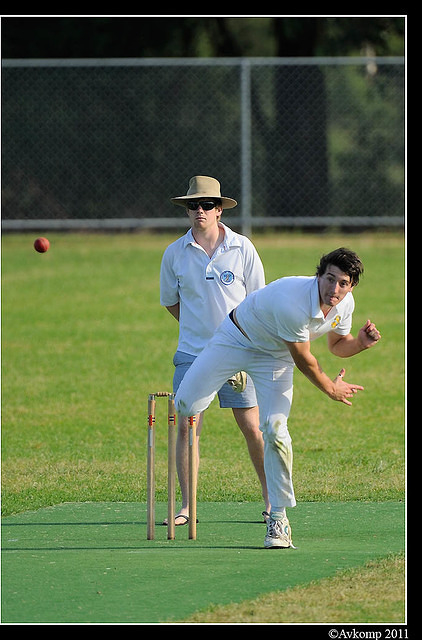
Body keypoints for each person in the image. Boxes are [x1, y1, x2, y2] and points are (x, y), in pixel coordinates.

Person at [174, 247, 382, 548]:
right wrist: (331, 389)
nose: (334, 289)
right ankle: (230, 372)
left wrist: (360, 343)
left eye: (343, 283)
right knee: (184, 405)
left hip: (275, 360)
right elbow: (305, 360)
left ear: (351, 286)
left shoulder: (344, 304)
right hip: (238, 339)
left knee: (275, 430)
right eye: (329, 279)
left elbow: (337, 344)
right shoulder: (293, 301)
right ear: (319, 275)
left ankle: (279, 520)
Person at [160, 175, 270, 526]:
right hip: (193, 354)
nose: (200, 211)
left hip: (240, 350)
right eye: (193, 205)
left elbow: (258, 302)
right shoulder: (174, 253)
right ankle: (188, 508)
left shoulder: (242, 247)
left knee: (253, 427)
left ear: (220, 209)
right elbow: (171, 303)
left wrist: (235, 342)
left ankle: (273, 500)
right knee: (187, 427)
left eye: (207, 205)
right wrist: (199, 333)